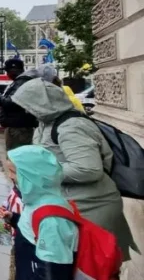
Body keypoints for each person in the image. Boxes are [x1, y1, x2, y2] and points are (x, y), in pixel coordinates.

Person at [11, 78, 136, 261]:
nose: (26, 110)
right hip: (69, 206)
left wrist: (39, 173)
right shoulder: (45, 123)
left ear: (42, 103)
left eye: (29, 105)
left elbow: (88, 169)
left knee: (91, 266)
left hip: (91, 208)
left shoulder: (72, 126)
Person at [0, 145, 79, 280]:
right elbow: (33, 228)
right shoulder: (36, 200)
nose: (10, 176)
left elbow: (53, 272)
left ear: (32, 176)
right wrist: (13, 218)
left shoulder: (52, 221)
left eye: (13, 172)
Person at [0, 59, 37, 151]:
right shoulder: (19, 82)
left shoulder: (21, 83)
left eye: (8, 71)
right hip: (18, 126)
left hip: (18, 128)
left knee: (16, 156)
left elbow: (10, 103)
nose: (7, 74)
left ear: (14, 70)